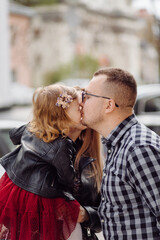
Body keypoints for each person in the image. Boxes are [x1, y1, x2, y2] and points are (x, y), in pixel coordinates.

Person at [81, 67, 160, 239]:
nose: (81, 102)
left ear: (108, 104)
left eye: (86, 96)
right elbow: (119, 214)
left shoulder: (138, 148)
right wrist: (85, 215)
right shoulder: (117, 145)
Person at [0, 84, 87, 240]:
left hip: (15, 188)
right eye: (77, 108)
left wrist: (34, 127)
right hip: (38, 196)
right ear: (62, 114)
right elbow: (67, 177)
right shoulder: (62, 144)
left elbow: (13, 135)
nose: (81, 109)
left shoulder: (32, 129)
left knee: (20, 231)